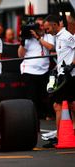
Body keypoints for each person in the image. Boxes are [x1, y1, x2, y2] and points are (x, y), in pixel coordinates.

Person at [43, 15, 75, 147]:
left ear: (55, 25)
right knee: (71, 105)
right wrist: (56, 68)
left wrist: (72, 65)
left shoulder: (67, 36)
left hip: (70, 75)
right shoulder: (58, 37)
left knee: (59, 106)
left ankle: (59, 136)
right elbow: (64, 56)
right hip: (63, 74)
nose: (47, 31)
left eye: (48, 28)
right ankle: (66, 133)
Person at [18, 17, 54, 119]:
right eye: (37, 26)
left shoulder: (48, 36)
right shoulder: (28, 38)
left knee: (45, 95)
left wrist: (38, 38)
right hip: (29, 70)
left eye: (41, 25)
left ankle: (46, 114)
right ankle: (33, 116)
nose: (40, 28)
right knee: (32, 96)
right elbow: (20, 55)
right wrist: (22, 41)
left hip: (44, 70)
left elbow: (51, 48)